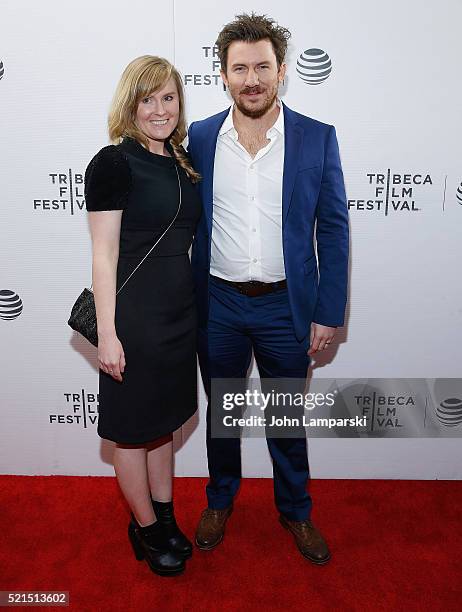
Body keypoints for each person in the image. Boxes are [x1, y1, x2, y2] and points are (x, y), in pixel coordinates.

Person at [188, 14, 349, 565]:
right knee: (223, 416)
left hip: (287, 307)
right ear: (224, 75)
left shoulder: (317, 138)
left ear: (281, 71)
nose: (251, 79)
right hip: (220, 304)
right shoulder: (201, 137)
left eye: (262, 67)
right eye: (239, 69)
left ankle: (297, 512)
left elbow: (332, 227)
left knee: (285, 418)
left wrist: (329, 312)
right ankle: (220, 500)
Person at [84, 55, 202, 576]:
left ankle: (165, 514)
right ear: (131, 104)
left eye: (169, 97)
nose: (160, 109)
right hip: (134, 321)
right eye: (148, 99)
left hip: (179, 318)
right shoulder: (114, 163)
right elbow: (104, 256)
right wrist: (107, 334)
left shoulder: (182, 160)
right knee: (133, 431)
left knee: (163, 426)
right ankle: (147, 526)